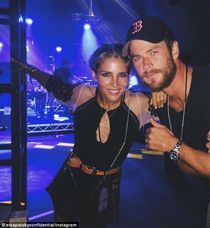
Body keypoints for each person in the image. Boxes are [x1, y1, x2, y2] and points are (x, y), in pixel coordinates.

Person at [12, 44, 166, 228]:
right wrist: (31, 69)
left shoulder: (138, 104)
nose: (115, 84)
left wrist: (162, 89)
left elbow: (180, 104)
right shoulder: (81, 95)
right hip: (71, 177)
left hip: (105, 185)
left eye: (122, 75)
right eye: (106, 74)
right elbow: (54, 84)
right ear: (95, 74)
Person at [123, 16, 210, 227]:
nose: (146, 65)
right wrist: (203, 158)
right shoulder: (162, 104)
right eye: (137, 58)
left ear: (174, 50)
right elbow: (184, 166)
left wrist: (173, 145)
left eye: (153, 52)